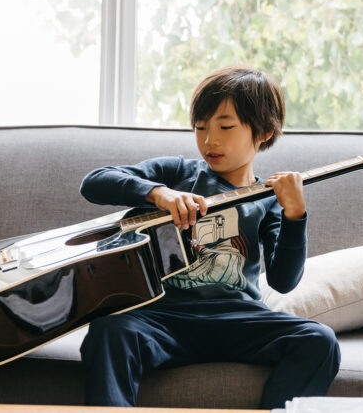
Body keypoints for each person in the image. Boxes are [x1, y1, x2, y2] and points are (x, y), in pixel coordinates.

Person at [79, 65, 340, 408]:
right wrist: (159, 193)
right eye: (200, 128)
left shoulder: (268, 201)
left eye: (225, 127)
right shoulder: (178, 173)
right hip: (165, 317)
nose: (209, 140)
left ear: (262, 132)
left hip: (238, 318)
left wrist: (295, 215)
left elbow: (284, 281)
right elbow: (95, 182)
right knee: (108, 332)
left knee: (320, 340)